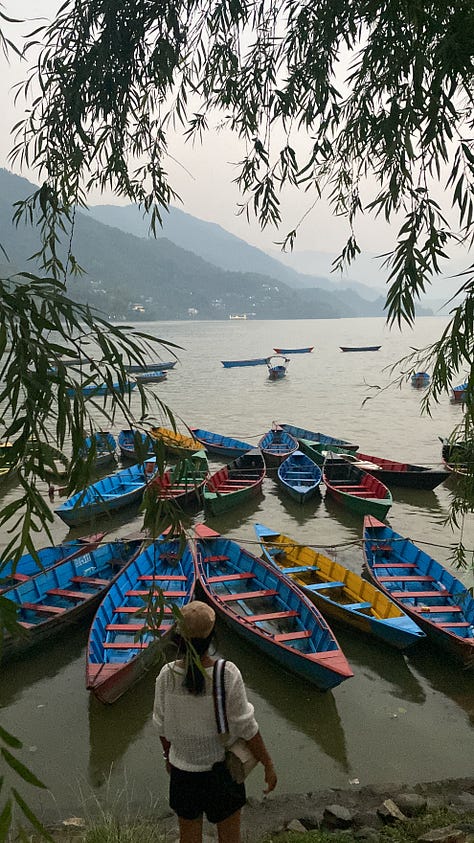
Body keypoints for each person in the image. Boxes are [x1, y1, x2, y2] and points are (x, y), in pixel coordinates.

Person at [153, 601, 277, 843]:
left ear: (179, 638)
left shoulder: (167, 675)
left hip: (183, 775)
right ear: (212, 637)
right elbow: (247, 728)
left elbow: (161, 727)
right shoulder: (226, 673)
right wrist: (268, 764)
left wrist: (169, 758)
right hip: (222, 774)